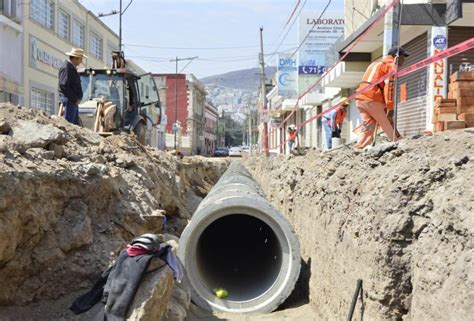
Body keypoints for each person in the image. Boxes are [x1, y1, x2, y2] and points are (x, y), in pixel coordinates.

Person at [353, 46, 409, 149]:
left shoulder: (375, 63)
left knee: (369, 124)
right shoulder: (390, 65)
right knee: (387, 122)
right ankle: (399, 144)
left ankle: (359, 147)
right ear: (396, 57)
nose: (404, 60)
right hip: (373, 98)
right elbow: (389, 86)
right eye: (402, 57)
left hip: (360, 98)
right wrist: (390, 107)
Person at [58, 48, 87, 125]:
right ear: (76, 58)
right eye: (81, 59)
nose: (81, 61)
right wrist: (74, 99)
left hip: (72, 101)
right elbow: (63, 85)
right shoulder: (67, 68)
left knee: (74, 125)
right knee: (69, 124)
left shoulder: (71, 68)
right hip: (69, 100)